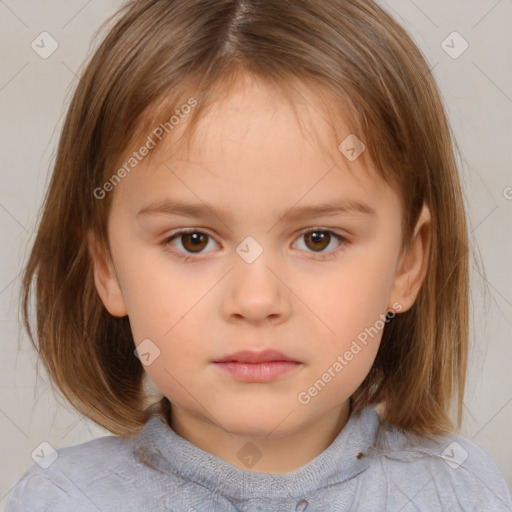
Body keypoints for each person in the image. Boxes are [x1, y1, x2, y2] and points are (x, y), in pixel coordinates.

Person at [5, 0, 511, 510]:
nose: (255, 300)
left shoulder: (455, 493)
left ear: (407, 263)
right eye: (192, 240)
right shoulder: (63, 499)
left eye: (318, 239)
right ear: (107, 267)